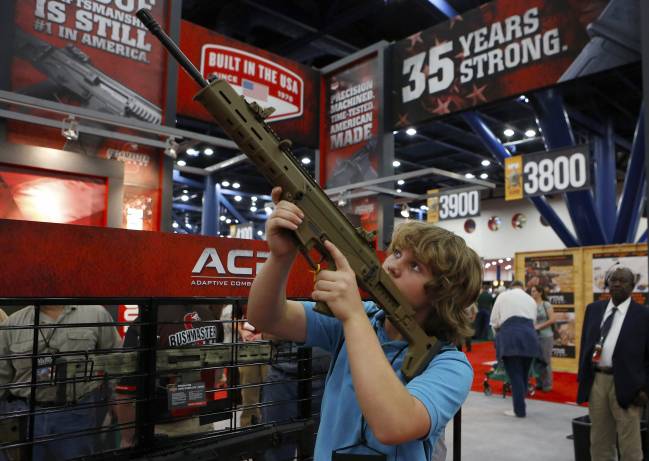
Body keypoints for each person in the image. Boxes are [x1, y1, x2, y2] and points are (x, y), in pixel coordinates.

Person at [247, 186, 481, 460]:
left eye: (415, 266)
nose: (393, 266)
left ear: (442, 294)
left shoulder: (450, 364)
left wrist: (354, 317)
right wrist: (280, 257)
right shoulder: (363, 317)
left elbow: (394, 425)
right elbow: (266, 318)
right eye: (396, 253)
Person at [0, 304, 121, 461]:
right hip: (25, 417)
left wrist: (116, 396)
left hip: (77, 415)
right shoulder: (12, 325)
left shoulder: (95, 314)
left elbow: (116, 358)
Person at [116, 304, 228, 445]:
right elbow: (217, 370)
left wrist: (128, 440)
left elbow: (126, 395)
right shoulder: (209, 316)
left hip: (160, 431)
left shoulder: (146, 322)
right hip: (201, 423)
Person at [577, 266, 649, 461]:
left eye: (623, 280)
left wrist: (645, 388)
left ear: (633, 286)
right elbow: (585, 344)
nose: (616, 284)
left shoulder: (643, 315)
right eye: (613, 280)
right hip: (597, 381)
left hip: (628, 384)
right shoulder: (594, 309)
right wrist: (583, 377)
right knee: (599, 439)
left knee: (629, 443)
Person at [260, 341, 330, 461]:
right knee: (276, 448)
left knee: (320, 450)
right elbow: (267, 332)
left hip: (324, 379)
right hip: (283, 378)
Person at [490, 280, 541, 418]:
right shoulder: (531, 300)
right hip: (530, 337)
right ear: (523, 287)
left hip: (510, 336)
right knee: (524, 374)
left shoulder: (503, 296)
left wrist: (498, 336)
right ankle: (520, 403)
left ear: (511, 287)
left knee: (515, 375)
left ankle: (519, 410)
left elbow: (494, 320)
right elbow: (534, 322)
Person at [531, 285, 555, 392]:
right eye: (531, 291)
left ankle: (547, 384)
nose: (533, 293)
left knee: (545, 360)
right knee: (536, 361)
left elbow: (552, 319)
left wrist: (539, 326)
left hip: (546, 336)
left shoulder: (546, 304)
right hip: (534, 337)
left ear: (540, 292)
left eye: (534, 291)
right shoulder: (531, 305)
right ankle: (539, 383)